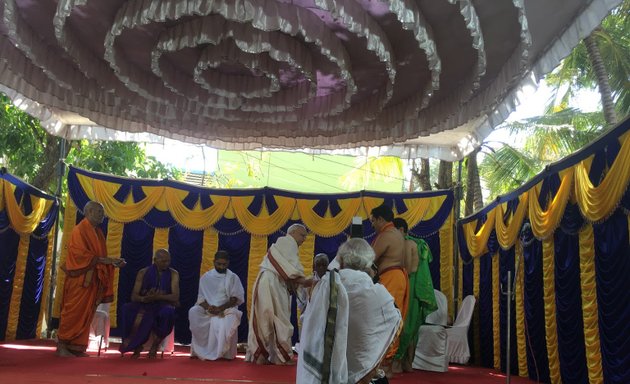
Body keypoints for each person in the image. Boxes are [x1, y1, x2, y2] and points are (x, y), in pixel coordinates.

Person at [297, 238, 402, 384]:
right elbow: (395, 322)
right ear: (369, 264)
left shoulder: (324, 287)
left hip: (324, 375)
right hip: (362, 375)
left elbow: (309, 328)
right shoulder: (380, 295)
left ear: (340, 261)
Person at [56, 201, 126, 357]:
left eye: (103, 211)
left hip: (92, 280)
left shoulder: (98, 233)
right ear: (88, 211)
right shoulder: (79, 230)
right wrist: (108, 260)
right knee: (73, 312)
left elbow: (100, 258)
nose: (102, 214)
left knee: (86, 314)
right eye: (99, 211)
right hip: (79, 280)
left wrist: (113, 262)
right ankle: (62, 345)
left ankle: (76, 347)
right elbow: (80, 255)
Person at [245, 223, 312, 365]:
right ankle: (279, 356)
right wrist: (306, 281)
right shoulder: (287, 241)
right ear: (292, 232)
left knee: (266, 317)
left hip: (273, 282)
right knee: (276, 318)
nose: (304, 239)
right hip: (271, 281)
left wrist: (300, 281)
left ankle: (263, 355)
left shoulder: (287, 245)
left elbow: (289, 272)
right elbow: (291, 272)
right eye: (302, 235)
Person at [392, 217, 437, 372]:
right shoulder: (414, 244)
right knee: (411, 326)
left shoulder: (407, 244)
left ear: (401, 230)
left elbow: (411, 269)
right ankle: (407, 363)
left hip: (409, 287)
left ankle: (397, 362)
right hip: (412, 288)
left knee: (405, 325)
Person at [369, 203, 409, 375]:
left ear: (380, 219)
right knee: (392, 317)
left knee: (386, 318)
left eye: (373, 221)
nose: (372, 225)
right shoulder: (396, 234)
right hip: (397, 277)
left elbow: (369, 258)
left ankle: (385, 363)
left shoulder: (386, 235)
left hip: (391, 278)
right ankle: (387, 362)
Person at [119, 249, 180, 358]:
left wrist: (158, 297)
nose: (166, 264)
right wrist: (144, 299)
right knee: (126, 309)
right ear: (155, 260)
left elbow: (175, 296)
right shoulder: (143, 272)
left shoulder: (173, 273)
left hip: (163, 303)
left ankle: (155, 344)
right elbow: (134, 296)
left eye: (168, 261)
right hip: (144, 303)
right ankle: (136, 345)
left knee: (168, 312)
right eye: (163, 261)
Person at [189, 250, 245, 360]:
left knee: (230, 317)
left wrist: (220, 309)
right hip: (208, 309)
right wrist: (209, 308)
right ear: (214, 262)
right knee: (193, 311)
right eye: (219, 264)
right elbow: (201, 298)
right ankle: (200, 350)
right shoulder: (206, 277)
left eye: (224, 264)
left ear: (228, 263)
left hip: (226, 310)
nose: (221, 266)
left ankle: (224, 353)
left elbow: (235, 299)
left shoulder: (233, 277)